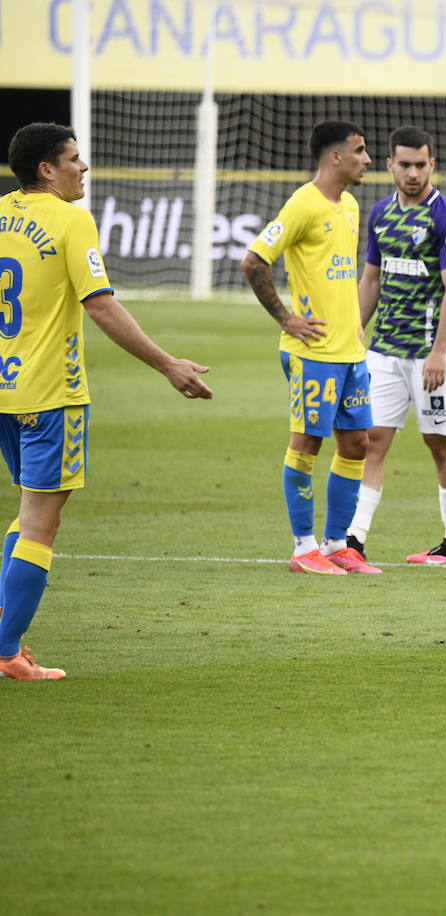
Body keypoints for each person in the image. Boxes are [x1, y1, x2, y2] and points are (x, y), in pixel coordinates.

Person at [0, 122, 213, 679]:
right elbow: (100, 305)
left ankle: (6, 633)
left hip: (6, 389)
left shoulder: (2, 214)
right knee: (41, 523)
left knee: (28, 515)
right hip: (52, 394)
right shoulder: (72, 219)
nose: (84, 167)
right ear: (48, 169)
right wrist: (168, 363)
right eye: (74, 158)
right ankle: (6, 651)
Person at [240, 120, 379, 576]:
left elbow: (341, 277)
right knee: (307, 444)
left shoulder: (352, 205)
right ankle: (303, 548)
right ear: (335, 156)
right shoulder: (303, 204)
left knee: (356, 443)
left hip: (349, 351)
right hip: (312, 352)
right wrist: (286, 319)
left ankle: (337, 543)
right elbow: (254, 260)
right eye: (359, 151)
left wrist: (355, 325)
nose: (367, 159)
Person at [343, 126, 446, 566]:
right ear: (390, 166)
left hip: (432, 356)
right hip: (385, 353)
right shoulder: (380, 214)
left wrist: (438, 352)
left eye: (421, 165)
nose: (413, 173)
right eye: (405, 165)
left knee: (440, 445)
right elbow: (371, 279)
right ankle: (354, 539)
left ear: (432, 165)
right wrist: (354, 331)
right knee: (369, 440)